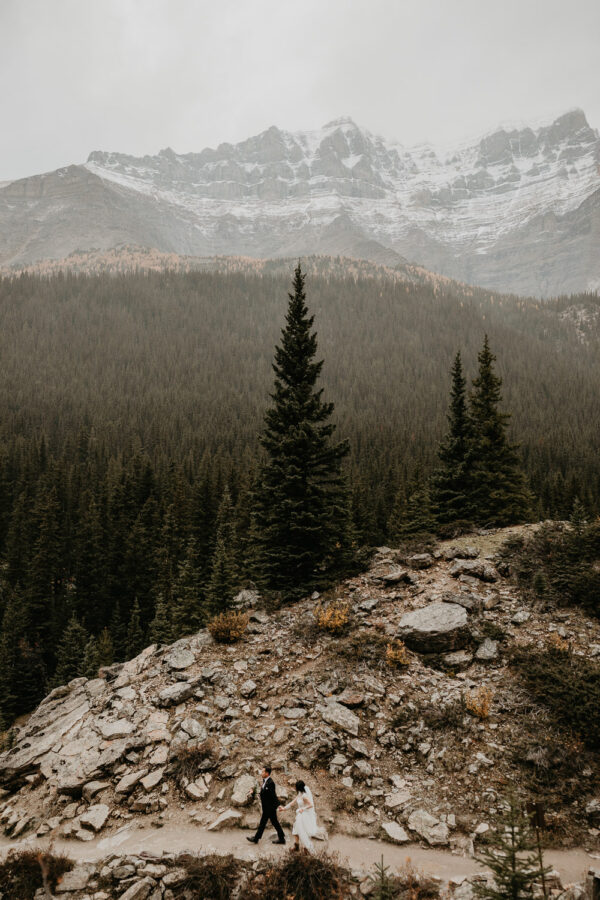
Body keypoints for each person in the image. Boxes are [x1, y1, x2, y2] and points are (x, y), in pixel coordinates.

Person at [246, 765, 286, 845]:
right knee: (273, 822)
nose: (261, 772)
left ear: (267, 773)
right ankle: (281, 838)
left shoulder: (271, 783)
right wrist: (253, 792)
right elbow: (263, 793)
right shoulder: (265, 781)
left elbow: (273, 796)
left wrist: (278, 805)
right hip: (266, 807)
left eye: (263, 771)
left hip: (270, 808)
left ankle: (256, 838)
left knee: (264, 823)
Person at [279, 779, 318, 853]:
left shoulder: (304, 796)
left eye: (295, 786)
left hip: (304, 816)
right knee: (296, 830)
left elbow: (311, 805)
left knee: (303, 832)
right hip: (300, 816)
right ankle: (297, 846)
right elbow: (292, 803)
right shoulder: (300, 794)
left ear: (298, 788)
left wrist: (303, 809)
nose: (294, 788)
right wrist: (284, 808)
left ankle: (305, 848)